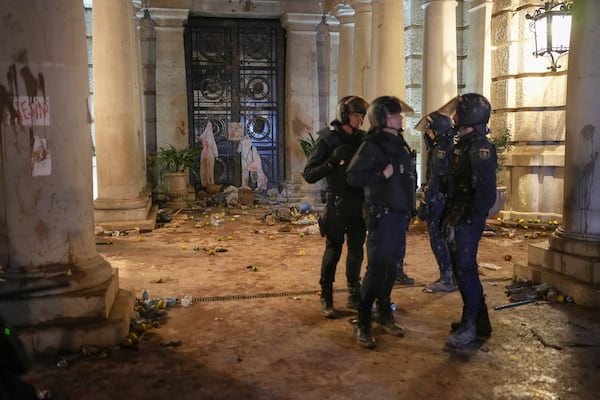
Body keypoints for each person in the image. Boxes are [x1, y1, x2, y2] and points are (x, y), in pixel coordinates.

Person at [346, 96, 416, 350]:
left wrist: (411, 207)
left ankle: (385, 314)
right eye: (397, 115)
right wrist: (380, 175)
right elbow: (353, 175)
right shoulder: (373, 143)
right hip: (382, 215)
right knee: (377, 269)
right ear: (385, 118)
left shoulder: (398, 141)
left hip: (399, 215)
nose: (401, 118)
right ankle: (363, 321)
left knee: (390, 269)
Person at [303, 95, 369, 318]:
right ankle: (326, 295)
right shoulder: (328, 140)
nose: (359, 119)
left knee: (357, 250)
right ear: (344, 115)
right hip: (337, 204)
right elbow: (309, 174)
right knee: (333, 250)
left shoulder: (364, 140)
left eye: (362, 115)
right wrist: (331, 162)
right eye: (355, 115)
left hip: (359, 204)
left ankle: (354, 292)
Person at [441, 93, 496, 348]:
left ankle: (470, 325)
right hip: (457, 215)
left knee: (465, 269)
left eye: (458, 113)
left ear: (470, 116)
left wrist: (470, 220)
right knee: (462, 269)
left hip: (466, 219)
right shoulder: (464, 144)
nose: (454, 117)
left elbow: (485, 193)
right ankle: (480, 321)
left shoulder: (479, 147)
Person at [415, 111, 457, 292]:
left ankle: (446, 278)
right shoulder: (449, 145)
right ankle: (452, 277)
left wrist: (426, 201)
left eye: (430, 129)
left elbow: (436, 179)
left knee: (437, 238)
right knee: (447, 238)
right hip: (448, 199)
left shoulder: (441, 150)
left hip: (439, 200)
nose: (428, 132)